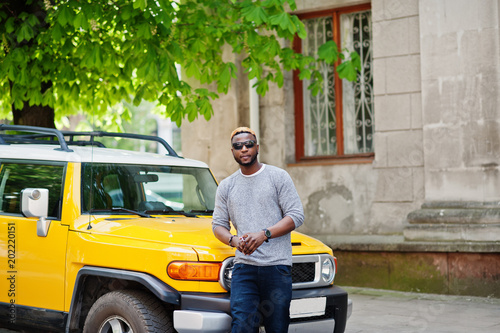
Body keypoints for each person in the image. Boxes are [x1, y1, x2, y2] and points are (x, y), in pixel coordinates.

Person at [212, 127, 304, 333]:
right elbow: (218, 225)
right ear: (233, 151)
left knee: (277, 327)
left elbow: (296, 215)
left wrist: (264, 234)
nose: (244, 149)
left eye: (248, 144)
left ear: (257, 147)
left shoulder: (278, 177)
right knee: (242, 326)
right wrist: (234, 241)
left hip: (277, 268)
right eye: (238, 146)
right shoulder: (227, 186)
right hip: (244, 268)